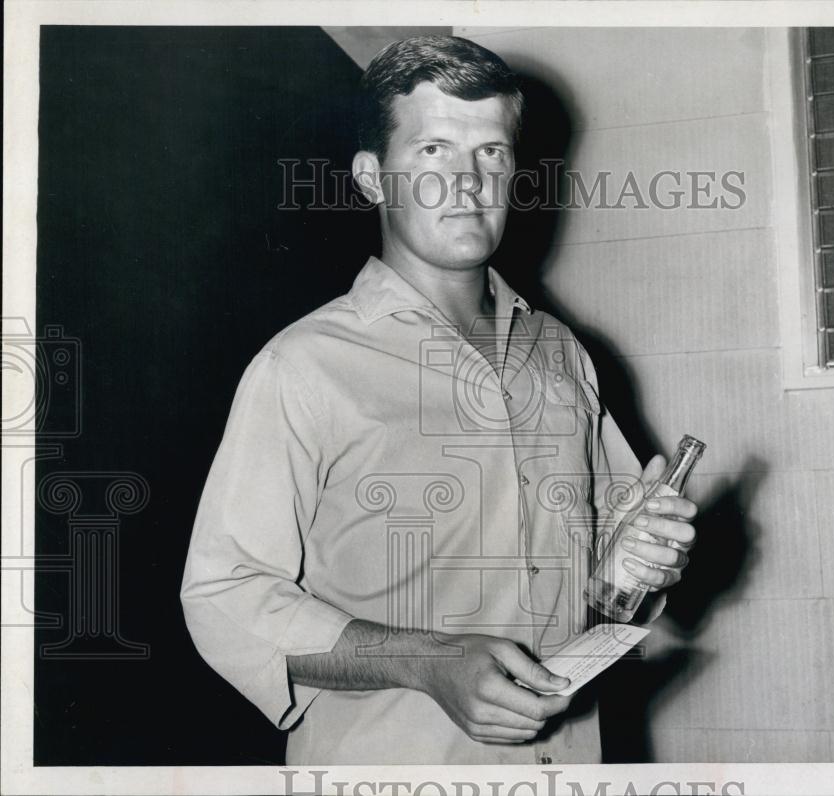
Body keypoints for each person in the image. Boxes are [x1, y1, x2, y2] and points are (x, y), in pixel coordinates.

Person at [180, 35, 697, 765]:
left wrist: (639, 560)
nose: (468, 181)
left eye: (491, 153)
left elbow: (612, 584)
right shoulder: (303, 367)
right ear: (370, 178)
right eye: (432, 151)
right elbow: (225, 596)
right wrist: (425, 661)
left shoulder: (561, 352)